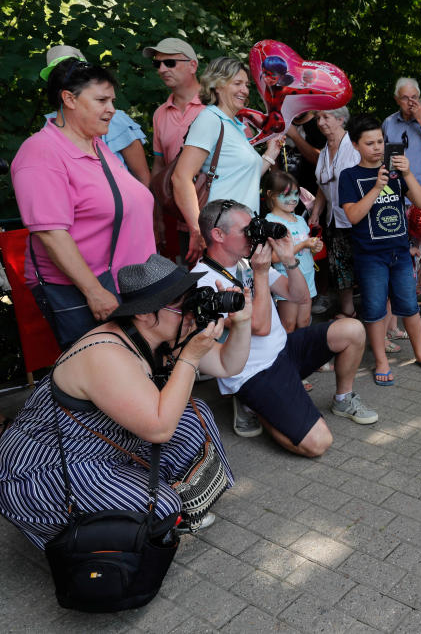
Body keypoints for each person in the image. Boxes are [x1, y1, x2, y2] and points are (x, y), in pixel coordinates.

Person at [0, 254, 253, 547]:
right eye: (182, 305)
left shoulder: (160, 333)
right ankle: (82, 529)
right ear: (144, 314)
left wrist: (242, 322)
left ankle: (142, 494)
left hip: (105, 447)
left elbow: (227, 365)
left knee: (196, 417)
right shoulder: (106, 354)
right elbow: (159, 429)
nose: (191, 312)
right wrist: (190, 357)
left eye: (192, 299)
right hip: (48, 468)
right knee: (159, 509)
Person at [194, 199, 374, 452]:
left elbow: (299, 296)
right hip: (254, 372)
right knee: (319, 444)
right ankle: (257, 406)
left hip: (284, 351)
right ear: (218, 234)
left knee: (353, 329)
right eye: (246, 230)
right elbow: (260, 327)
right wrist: (260, 273)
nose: (254, 235)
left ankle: (343, 399)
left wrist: (289, 259)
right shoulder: (205, 282)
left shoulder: (245, 263)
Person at [12, 58, 156, 348]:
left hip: (128, 285)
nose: (112, 109)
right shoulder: (40, 152)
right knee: (106, 380)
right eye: (102, 100)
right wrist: (93, 291)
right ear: (69, 99)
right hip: (90, 292)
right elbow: (51, 233)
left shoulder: (96, 144)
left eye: (112, 100)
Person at [339, 115, 421, 385]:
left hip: (399, 252)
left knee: (409, 306)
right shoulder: (349, 177)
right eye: (369, 143)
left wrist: (407, 173)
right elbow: (353, 216)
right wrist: (376, 187)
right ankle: (381, 361)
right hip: (370, 256)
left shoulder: (396, 172)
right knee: (374, 310)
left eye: (380, 141)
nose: (376, 147)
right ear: (355, 145)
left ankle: (420, 353)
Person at [172, 57, 284, 264]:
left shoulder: (237, 126)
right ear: (217, 85)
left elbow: (242, 176)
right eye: (237, 83)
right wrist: (198, 230)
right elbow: (181, 177)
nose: (245, 90)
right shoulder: (210, 119)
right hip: (220, 236)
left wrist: (271, 153)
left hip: (243, 234)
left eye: (246, 85)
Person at [382, 79, 421, 317]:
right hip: (397, 192)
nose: (410, 102)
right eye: (405, 98)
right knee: (403, 246)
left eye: (414, 98)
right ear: (397, 100)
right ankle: (406, 294)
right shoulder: (389, 122)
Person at [40, 46, 151, 186]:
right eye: (60, 74)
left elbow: (143, 176)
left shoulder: (115, 120)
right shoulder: (49, 130)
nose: (111, 109)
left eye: (75, 70)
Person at [143, 37, 206, 260]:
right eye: (157, 64)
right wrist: (156, 216)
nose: (161, 69)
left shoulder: (217, 105)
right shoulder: (160, 114)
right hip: (181, 221)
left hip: (219, 218)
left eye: (169, 63)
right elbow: (159, 167)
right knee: (195, 289)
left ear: (193, 65)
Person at [310, 106, 360, 317]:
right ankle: (348, 311)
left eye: (325, 117)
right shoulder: (323, 152)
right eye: (318, 118)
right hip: (333, 218)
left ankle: (376, 315)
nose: (320, 122)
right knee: (339, 266)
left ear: (340, 120)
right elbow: (323, 186)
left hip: (357, 218)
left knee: (362, 266)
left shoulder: (355, 147)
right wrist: (315, 212)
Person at [264, 170, 324, 332]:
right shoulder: (270, 222)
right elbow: (275, 258)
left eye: (296, 194)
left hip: (308, 276)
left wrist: (314, 247)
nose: (293, 199)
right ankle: (287, 354)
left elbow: (307, 250)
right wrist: (303, 244)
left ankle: (301, 355)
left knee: (304, 321)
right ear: (271, 195)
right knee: (288, 324)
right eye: (286, 194)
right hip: (286, 280)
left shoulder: (300, 220)